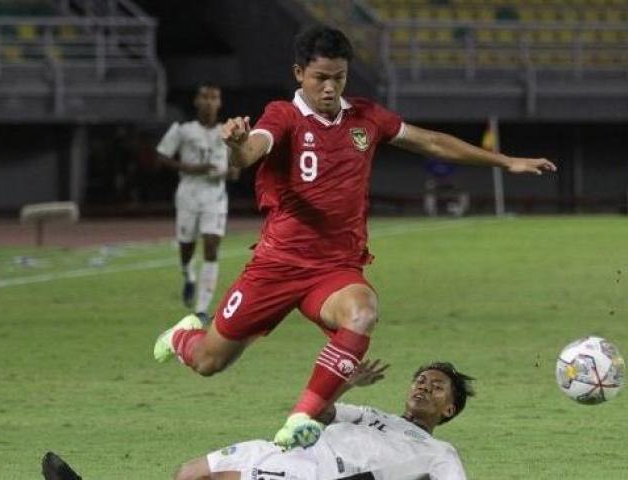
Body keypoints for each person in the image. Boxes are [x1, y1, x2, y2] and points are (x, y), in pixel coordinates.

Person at [153, 26, 556, 449]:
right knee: (208, 362)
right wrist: (235, 147)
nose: (329, 88)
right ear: (298, 73)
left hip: (334, 269)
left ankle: (300, 417)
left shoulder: (366, 118)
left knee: (362, 312)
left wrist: (505, 162)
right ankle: (183, 335)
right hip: (277, 265)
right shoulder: (283, 115)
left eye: (339, 78)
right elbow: (253, 150)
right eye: (320, 78)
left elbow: (431, 141)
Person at [41, 360, 475, 480]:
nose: (423, 387)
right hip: (285, 451)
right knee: (188, 474)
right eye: (420, 380)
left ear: (449, 409)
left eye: (437, 388)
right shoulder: (373, 416)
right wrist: (346, 383)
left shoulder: (439, 453)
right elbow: (319, 412)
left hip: (314, 474)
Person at [156, 82, 237, 322]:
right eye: (205, 97)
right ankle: (188, 274)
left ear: (219, 103)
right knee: (186, 247)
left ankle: (201, 308)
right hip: (189, 194)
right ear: (197, 101)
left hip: (216, 196)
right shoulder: (183, 129)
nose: (210, 102)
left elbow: (237, 164)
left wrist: (232, 171)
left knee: (211, 247)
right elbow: (162, 155)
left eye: (215, 97)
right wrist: (190, 168)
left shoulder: (228, 131)